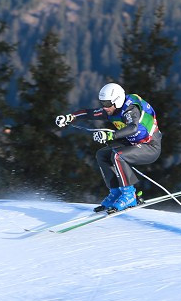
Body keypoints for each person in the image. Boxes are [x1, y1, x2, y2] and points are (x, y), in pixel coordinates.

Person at [55, 82, 162, 212]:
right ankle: (116, 192)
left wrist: (110, 136)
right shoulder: (112, 109)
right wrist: (70, 117)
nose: (104, 107)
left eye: (107, 103)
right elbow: (90, 113)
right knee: (102, 155)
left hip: (150, 146)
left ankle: (129, 195)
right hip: (133, 142)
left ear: (117, 101)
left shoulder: (130, 109)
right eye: (102, 103)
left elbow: (133, 128)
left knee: (118, 156)